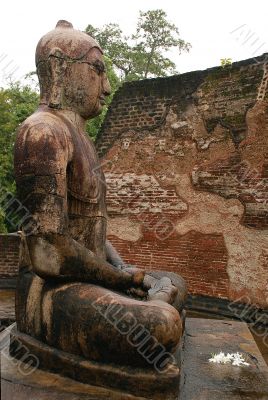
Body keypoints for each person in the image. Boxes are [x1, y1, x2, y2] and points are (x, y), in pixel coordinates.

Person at [14, 20, 187, 369]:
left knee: (175, 282)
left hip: (87, 279)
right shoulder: (42, 133)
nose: (107, 87)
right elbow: (50, 254)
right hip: (50, 290)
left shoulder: (81, 137)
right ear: (59, 66)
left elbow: (91, 227)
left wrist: (123, 266)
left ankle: (147, 299)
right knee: (161, 325)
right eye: (97, 70)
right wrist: (125, 279)